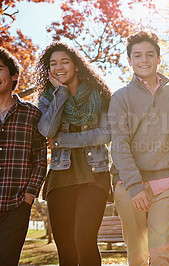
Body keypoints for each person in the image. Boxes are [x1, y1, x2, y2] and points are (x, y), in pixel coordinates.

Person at [108, 31, 169, 265]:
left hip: (167, 183)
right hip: (129, 185)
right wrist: (135, 186)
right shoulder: (120, 97)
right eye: (137, 55)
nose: (144, 60)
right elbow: (119, 144)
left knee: (162, 254)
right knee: (138, 255)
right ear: (129, 60)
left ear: (159, 59)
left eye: (150, 54)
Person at [36, 42, 111, 266]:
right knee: (66, 250)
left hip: (95, 174)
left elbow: (106, 134)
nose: (59, 67)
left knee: (85, 240)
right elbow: (46, 131)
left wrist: (63, 140)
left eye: (64, 61)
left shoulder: (99, 95)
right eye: (53, 63)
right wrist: (61, 94)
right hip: (60, 177)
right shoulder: (49, 98)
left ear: (76, 65)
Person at [0, 47, 47, 266]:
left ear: (13, 75)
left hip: (16, 205)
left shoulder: (31, 114)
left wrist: (29, 196)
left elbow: (39, 160)